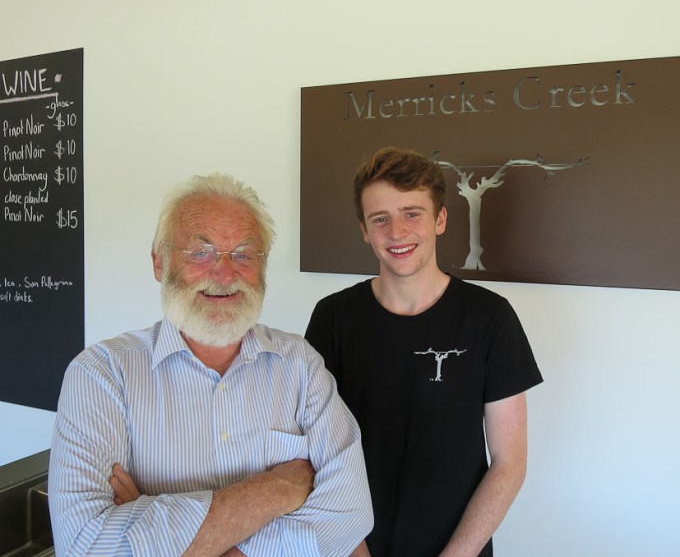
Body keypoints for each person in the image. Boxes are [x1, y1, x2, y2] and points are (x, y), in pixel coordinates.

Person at [49, 173, 373, 557]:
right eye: (201, 253)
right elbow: (85, 546)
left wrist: (164, 528)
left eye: (243, 254)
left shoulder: (300, 365)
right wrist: (276, 490)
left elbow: (349, 514)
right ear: (159, 262)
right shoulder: (101, 375)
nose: (224, 273)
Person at [305, 148, 543, 557]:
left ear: (440, 219)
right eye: (380, 218)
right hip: (350, 546)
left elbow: (509, 464)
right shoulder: (333, 318)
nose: (397, 232)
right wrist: (352, 549)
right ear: (364, 230)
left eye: (412, 213)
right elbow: (314, 452)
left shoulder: (489, 317)